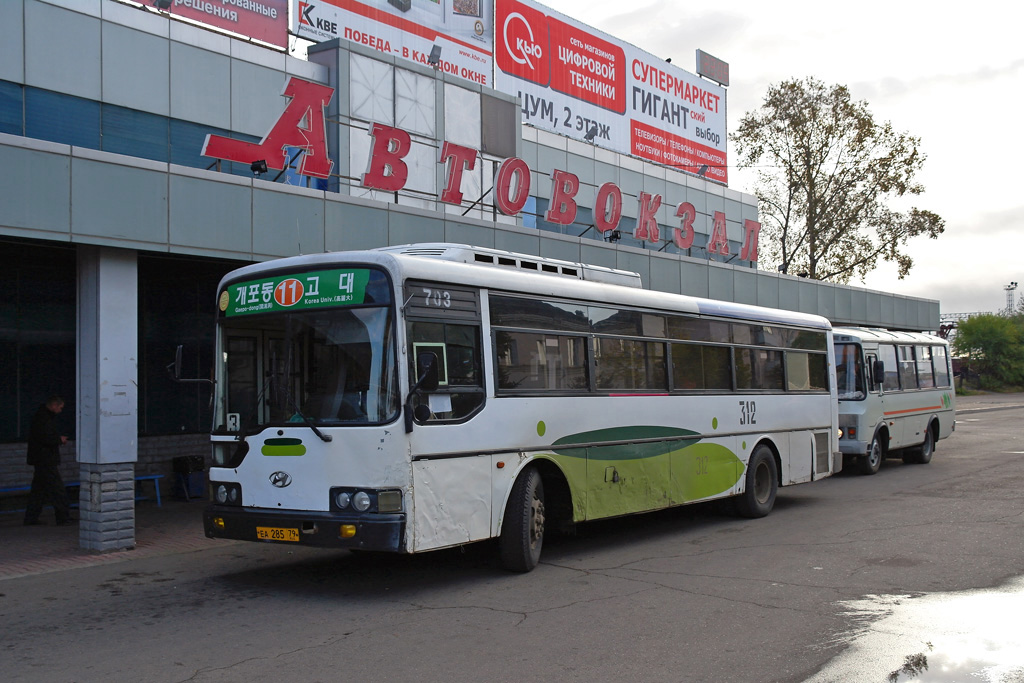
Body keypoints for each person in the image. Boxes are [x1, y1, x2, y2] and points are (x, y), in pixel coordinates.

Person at [23, 395, 73, 526]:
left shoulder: (41, 416)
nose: (60, 411)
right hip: (46, 459)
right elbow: (46, 437)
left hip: (40, 458)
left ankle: (31, 517)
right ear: (54, 405)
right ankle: (63, 517)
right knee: (57, 489)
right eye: (60, 408)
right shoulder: (44, 418)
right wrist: (59, 440)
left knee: (38, 490)